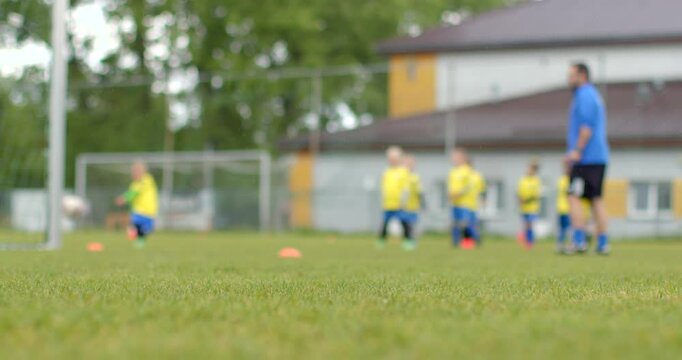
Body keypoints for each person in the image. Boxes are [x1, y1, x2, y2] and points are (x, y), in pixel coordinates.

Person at [566, 62, 610, 255]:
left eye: (571, 75)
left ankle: (579, 241)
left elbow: (586, 127)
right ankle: (602, 243)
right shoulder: (593, 95)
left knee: (573, 196)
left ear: (582, 75)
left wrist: (576, 151)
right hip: (598, 157)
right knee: (595, 199)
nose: (568, 79)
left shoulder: (584, 95)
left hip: (586, 158)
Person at [115, 161, 159, 248]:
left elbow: (134, 193)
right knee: (136, 222)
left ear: (143, 172)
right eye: (133, 172)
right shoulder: (134, 184)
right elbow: (131, 193)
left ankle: (138, 237)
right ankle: (136, 238)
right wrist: (125, 198)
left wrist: (123, 199)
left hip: (149, 210)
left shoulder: (147, 180)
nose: (134, 174)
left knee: (146, 228)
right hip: (139, 210)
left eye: (136, 171)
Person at [378, 146, 414, 250]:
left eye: (394, 158)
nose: (392, 160)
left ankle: (408, 241)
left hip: (400, 204)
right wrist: (384, 199)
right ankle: (381, 241)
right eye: (390, 158)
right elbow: (384, 187)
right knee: (385, 222)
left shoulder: (403, 172)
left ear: (399, 159)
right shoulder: (386, 172)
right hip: (388, 203)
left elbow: (406, 188)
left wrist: (403, 201)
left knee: (404, 222)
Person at [448, 148, 477, 248]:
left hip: (466, 203)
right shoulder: (453, 172)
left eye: (456, 157)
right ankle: (456, 243)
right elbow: (451, 187)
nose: (453, 159)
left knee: (465, 224)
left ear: (462, 158)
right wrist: (450, 195)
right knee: (456, 224)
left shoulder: (467, 170)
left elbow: (469, 186)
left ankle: (470, 242)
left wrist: (459, 193)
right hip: (455, 203)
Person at [517, 161, 542, 248]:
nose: (529, 170)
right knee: (525, 225)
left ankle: (530, 242)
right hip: (524, 207)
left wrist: (526, 200)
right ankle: (526, 241)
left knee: (530, 225)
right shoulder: (523, 180)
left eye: (531, 169)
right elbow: (519, 192)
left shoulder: (536, 181)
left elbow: (535, 195)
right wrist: (520, 200)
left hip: (532, 207)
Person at [403, 154, 424, 241]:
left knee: (412, 223)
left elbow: (420, 191)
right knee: (404, 223)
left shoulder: (416, 177)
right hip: (402, 206)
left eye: (411, 163)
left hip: (413, 205)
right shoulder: (402, 176)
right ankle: (407, 239)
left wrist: (422, 202)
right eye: (407, 163)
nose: (409, 165)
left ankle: (413, 239)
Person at [556, 163, 571, 253]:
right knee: (563, 228)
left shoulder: (570, 179)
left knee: (568, 229)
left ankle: (568, 245)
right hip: (563, 208)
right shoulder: (562, 180)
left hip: (568, 209)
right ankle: (560, 245)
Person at [470, 163, 486, 246]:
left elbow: (483, 189)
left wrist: (483, 200)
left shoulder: (477, 176)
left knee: (473, 223)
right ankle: (472, 239)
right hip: (465, 204)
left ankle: (477, 238)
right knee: (468, 223)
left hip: (474, 203)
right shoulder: (463, 176)